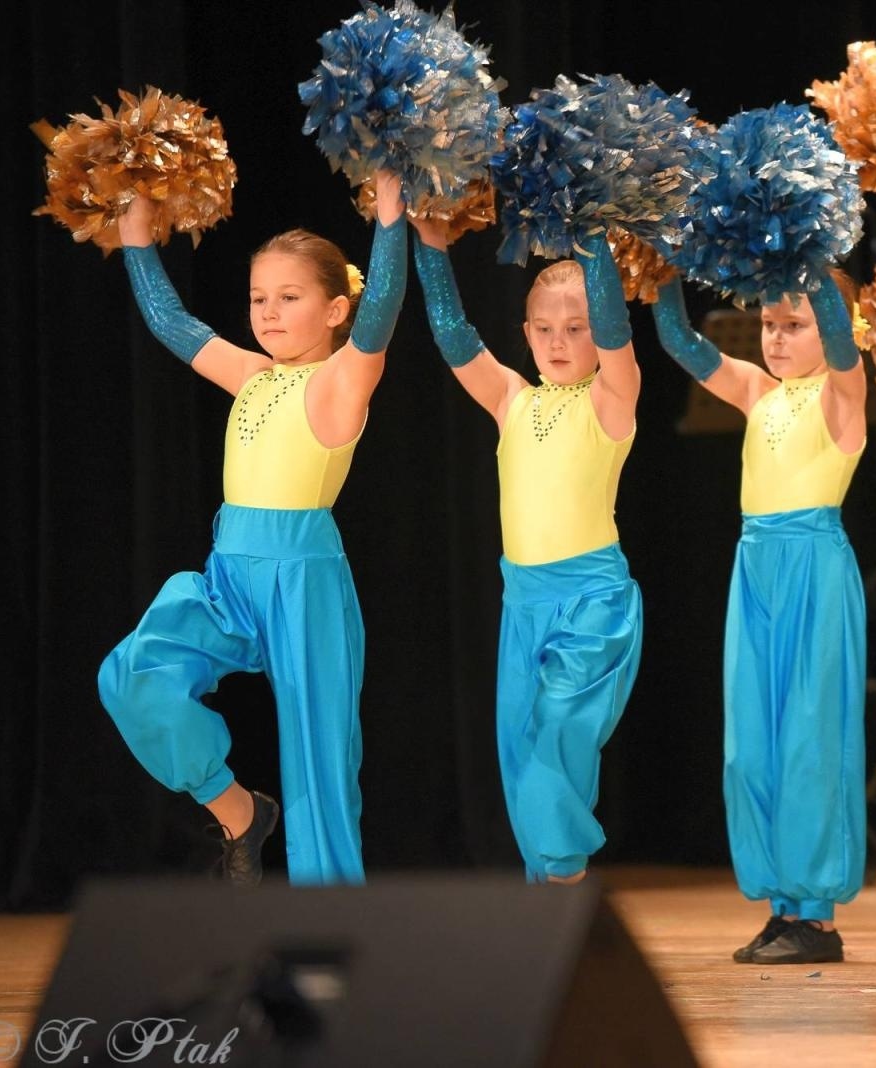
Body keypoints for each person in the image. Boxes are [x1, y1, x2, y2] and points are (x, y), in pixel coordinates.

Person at [99, 169, 408, 885]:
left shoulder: (339, 382)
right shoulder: (252, 375)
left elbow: (384, 305)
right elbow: (171, 324)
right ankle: (240, 813)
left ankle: (330, 921)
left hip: (303, 581)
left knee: (321, 761)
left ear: (335, 311)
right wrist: (138, 239)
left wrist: (390, 221)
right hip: (229, 576)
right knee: (133, 678)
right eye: (258, 298)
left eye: (289, 298)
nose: (267, 313)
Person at [410, 219, 643, 887]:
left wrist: (595, 229)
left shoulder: (611, 399)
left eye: (576, 328)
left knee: (555, 734)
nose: (559, 341)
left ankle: (565, 887)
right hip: (525, 603)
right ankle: (556, 900)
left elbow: (619, 335)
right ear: (525, 331)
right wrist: (430, 247)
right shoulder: (511, 398)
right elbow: (453, 336)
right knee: (521, 754)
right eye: (544, 328)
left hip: (592, 605)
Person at [653, 265, 867, 966]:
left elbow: (840, 335)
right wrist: (655, 271)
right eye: (769, 324)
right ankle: (782, 904)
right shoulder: (755, 391)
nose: (775, 338)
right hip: (757, 569)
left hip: (814, 568)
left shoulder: (843, 393)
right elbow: (679, 340)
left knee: (810, 739)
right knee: (752, 747)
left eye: (793, 324)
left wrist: (811, 246)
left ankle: (818, 917)